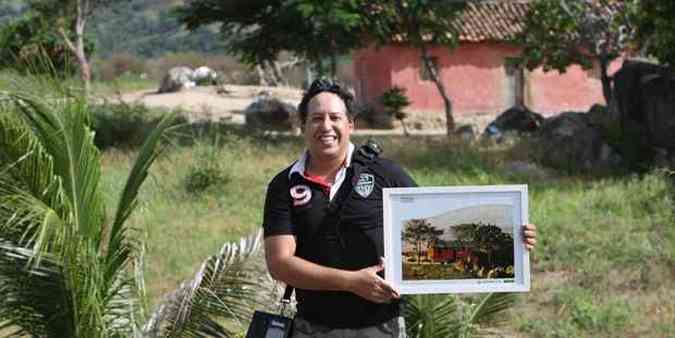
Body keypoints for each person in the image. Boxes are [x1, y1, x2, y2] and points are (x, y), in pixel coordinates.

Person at [262, 79, 537, 338]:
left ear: (350, 125)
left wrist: (511, 239)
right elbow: (280, 264)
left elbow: (439, 229)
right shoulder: (284, 185)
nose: (326, 126)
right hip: (313, 329)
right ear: (303, 125)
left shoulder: (385, 173)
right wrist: (350, 282)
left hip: (382, 327)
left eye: (335, 118)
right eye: (316, 118)